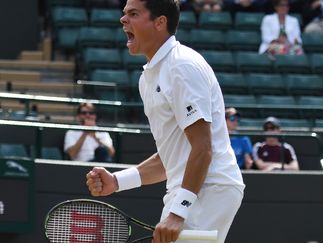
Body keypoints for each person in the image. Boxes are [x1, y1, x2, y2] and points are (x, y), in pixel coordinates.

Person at [86, 1, 245, 242]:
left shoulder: (182, 66)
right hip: (189, 189)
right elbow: (169, 157)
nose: (123, 19)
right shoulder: (148, 78)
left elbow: (203, 148)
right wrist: (117, 182)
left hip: (209, 187)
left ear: (160, 22)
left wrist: (179, 212)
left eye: (133, 13)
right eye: (124, 13)